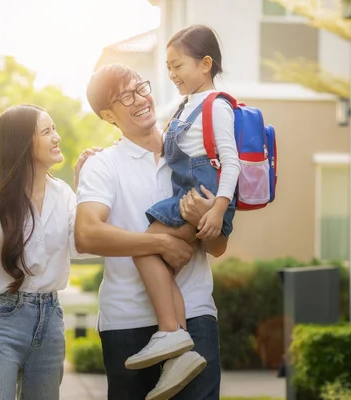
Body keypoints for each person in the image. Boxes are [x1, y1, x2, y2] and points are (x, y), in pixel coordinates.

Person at [75, 61, 229, 399]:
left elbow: (218, 247)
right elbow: (86, 235)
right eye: (125, 97)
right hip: (127, 319)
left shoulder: (193, 155)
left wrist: (207, 218)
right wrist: (159, 243)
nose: (140, 100)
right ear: (108, 115)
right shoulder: (102, 166)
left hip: (195, 310)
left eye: (140, 88)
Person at [0, 104, 96, 399]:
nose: (57, 137)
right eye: (47, 131)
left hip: (50, 320)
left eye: (55, 129)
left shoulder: (63, 194)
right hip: (1, 324)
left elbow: (81, 245)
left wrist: (84, 187)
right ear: (24, 142)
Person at [125, 23, 240, 382]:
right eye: (168, 66)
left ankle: (172, 335)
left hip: (202, 199)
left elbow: (230, 161)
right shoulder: (186, 106)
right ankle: (179, 351)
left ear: (205, 64)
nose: (171, 73)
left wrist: (218, 210)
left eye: (178, 65)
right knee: (156, 255)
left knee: (144, 248)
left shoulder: (216, 106)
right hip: (188, 197)